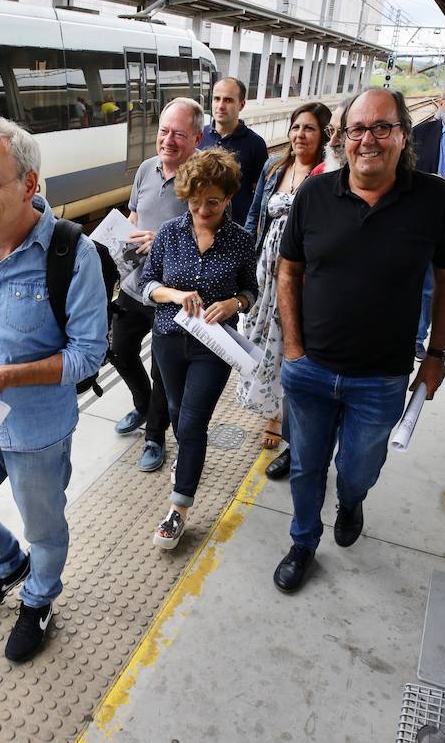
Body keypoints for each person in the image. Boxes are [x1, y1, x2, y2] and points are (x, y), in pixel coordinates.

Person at [274, 88, 445, 594]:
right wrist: (293, 347)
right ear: (343, 138)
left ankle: (352, 500)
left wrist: (437, 356)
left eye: (382, 127)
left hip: (380, 377)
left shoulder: (434, 200)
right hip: (310, 370)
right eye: (357, 129)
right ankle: (303, 541)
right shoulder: (314, 196)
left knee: (358, 469)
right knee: (307, 466)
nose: (368, 140)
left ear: (404, 135)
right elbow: (287, 270)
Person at [0, 118, 108, 661]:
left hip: (37, 429)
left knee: (44, 527)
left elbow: (88, 354)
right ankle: (10, 565)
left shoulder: (69, 254)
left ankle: (38, 598)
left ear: (29, 185)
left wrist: (4, 376)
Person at [141, 147, 258, 549]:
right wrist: (174, 294)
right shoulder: (171, 234)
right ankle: (188, 460)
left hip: (214, 346)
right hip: (169, 340)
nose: (203, 210)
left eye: (213, 202)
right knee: (176, 411)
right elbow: (146, 286)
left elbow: (251, 290)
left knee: (192, 423)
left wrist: (234, 303)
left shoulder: (242, 241)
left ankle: (178, 508)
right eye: (195, 202)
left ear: (228, 198)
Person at [111, 97, 204, 474]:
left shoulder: (202, 180)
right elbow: (135, 214)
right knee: (119, 350)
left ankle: (154, 436)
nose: (168, 140)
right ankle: (142, 404)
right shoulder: (147, 169)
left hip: (171, 297)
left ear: (196, 137)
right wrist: (129, 236)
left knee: (163, 371)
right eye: (164, 131)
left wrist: (164, 242)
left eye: (179, 134)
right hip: (135, 286)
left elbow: (206, 238)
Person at [239, 102, 330, 449]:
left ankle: (280, 416)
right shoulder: (274, 168)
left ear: (322, 135)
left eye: (308, 128)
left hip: (300, 272)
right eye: (296, 127)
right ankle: (267, 407)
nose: (299, 135)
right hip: (265, 267)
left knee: (288, 339)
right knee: (261, 337)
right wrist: (243, 260)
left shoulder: (325, 174)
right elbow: (254, 217)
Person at [267, 99, 349, 480]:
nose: (339, 139)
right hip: (295, 285)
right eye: (342, 131)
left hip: (343, 305)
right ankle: (294, 447)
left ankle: (335, 460)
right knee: (296, 366)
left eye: (334, 131)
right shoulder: (317, 177)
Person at [414, 80, 445, 361]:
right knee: (414, 278)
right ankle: (410, 334)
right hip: (420, 218)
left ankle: (420, 338)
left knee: (436, 282)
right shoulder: (421, 133)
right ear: (442, 102)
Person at [198, 77, 268, 225]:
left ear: (241, 105)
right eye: (217, 99)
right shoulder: (198, 136)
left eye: (228, 100)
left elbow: (260, 195)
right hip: (199, 226)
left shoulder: (255, 144)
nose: (220, 106)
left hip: (235, 231)